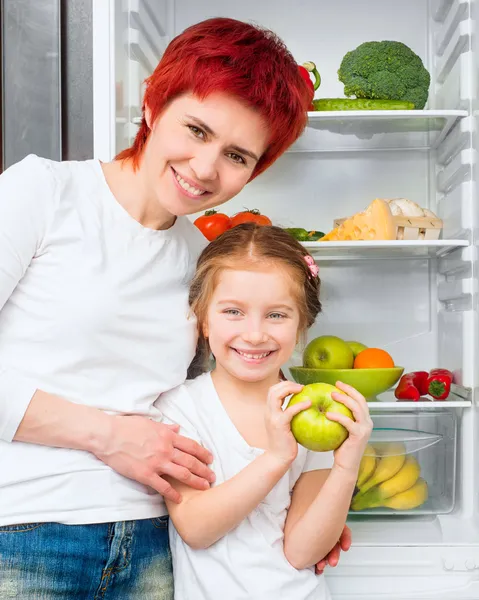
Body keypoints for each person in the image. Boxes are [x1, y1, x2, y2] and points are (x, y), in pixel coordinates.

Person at [0, 16, 348, 600]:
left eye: (238, 156)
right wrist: (108, 436)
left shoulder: (201, 261)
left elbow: (221, 402)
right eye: (196, 129)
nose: (206, 167)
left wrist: (304, 509)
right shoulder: (43, 193)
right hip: (27, 527)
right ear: (151, 105)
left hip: (158, 546)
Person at [159, 223, 373, 599]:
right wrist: (277, 456)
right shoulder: (180, 408)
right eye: (233, 312)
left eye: (276, 315)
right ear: (204, 319)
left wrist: (346, 465)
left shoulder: (310, 409)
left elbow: (302, 552)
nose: (255, 334)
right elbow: (196, 528)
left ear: (302, 323)